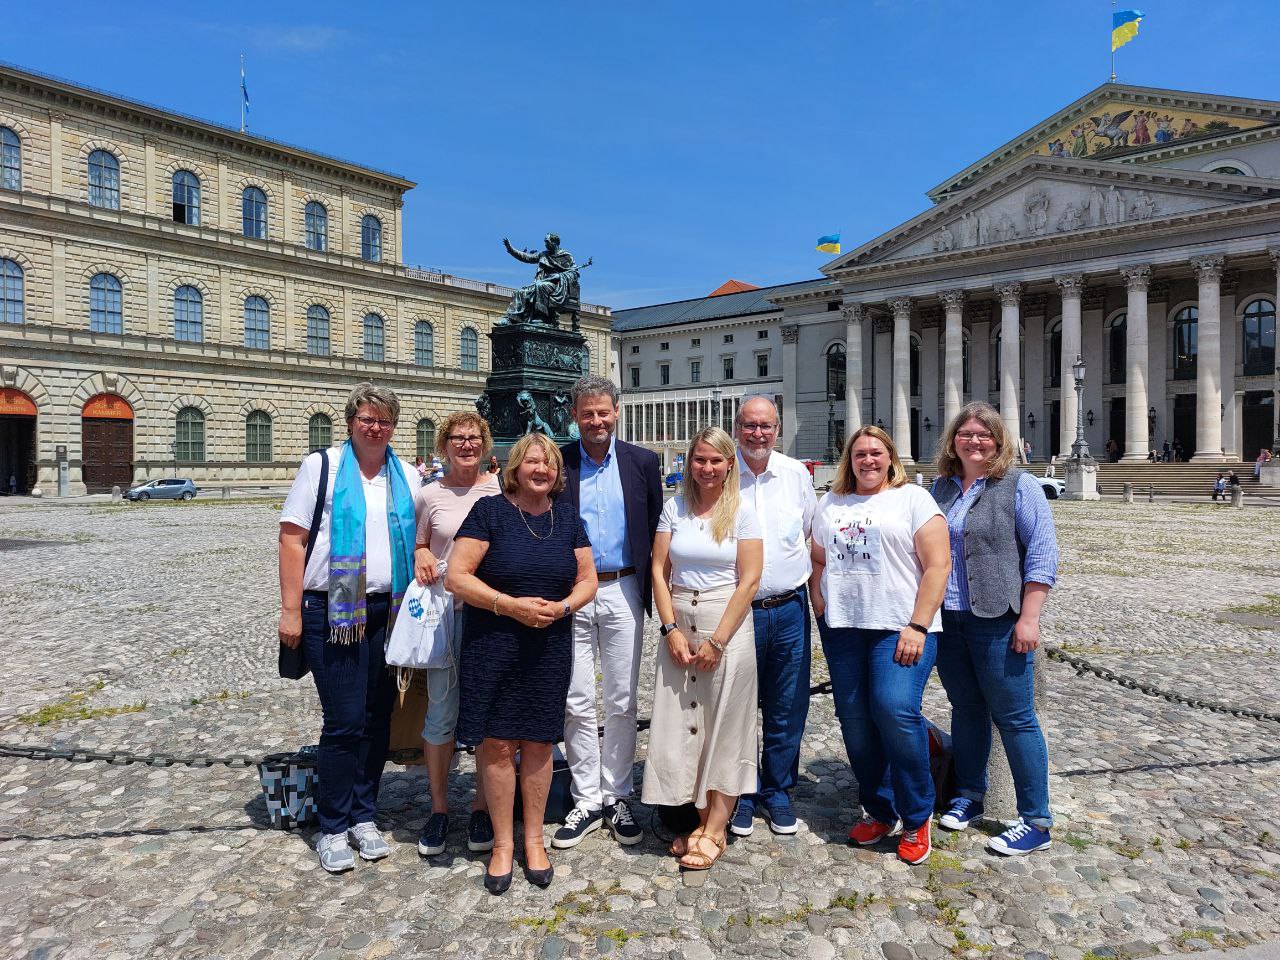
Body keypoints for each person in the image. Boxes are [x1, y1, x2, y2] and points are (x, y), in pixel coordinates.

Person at [278, 383, 424, 874]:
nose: (375, 427)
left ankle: (365, 814)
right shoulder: (322, 467)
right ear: (350, 422)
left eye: (384, 420)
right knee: (344, 720)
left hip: (391, 610)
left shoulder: (405, 474)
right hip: (334, 612)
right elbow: (293, 539)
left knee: (378, 716)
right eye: (367, 418)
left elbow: (429, 530)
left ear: (393, 426)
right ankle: (333, 824)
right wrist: (291, 609)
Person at [445, 433, 597, 894]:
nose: (541, 470)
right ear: (516, 467)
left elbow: (588, 578)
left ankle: (534, 840)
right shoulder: (490, 512)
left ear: (557, 473)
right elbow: (456, 577)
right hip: (493, 643)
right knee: (495, 743)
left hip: (548, 644)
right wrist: (509, 605)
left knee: (537, 741)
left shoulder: (567, 519)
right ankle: (502, 845)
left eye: (549, 464)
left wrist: (566, 607)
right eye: (532, 461)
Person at [809, 425, 951, 866]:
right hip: (845, 626)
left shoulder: (913, 499)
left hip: (901, 626)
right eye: (859, 454)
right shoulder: (831, 503)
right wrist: (819, 603)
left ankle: (916, 814)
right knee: (854, 720)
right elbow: (816, 557)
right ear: (848, 460)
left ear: (891, 457)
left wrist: (918, 625)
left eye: (876, 453)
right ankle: (879, 806)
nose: (867, 461)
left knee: (893, 708)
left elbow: (938, 564)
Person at [930, 402, 1059, 857]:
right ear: (953, 441)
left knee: (1016, 718)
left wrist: (1030, 617)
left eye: (983, 434)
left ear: (999, 441)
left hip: (998, 619)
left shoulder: (1019, 486)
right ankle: (969, 794)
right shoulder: (941, 489)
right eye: (965, 433)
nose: (974, 441)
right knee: (966, 710)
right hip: (948, 620)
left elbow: (1042, 554)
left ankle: (1036, 819)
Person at [642, 427, 763, 871]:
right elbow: (659, 568)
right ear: (689, 463)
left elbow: (749, 580)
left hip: (723, 621)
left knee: (725, 724)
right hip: (680, 616)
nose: (707, 468)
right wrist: (669, 627)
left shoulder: (743, 513)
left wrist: (717, 640)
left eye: (716, 460)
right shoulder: (675, 508)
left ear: (730, 464)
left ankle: (716, 827)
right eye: (700, 460)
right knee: (684, 722)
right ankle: (699, 819)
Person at [553, 376, 663, 849]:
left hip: (623, 585)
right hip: (573, 589)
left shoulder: (643, 463)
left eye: (603, 412)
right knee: (575, 698)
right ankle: (586, 797)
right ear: (574, 416)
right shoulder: (560, 461)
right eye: (586, 414)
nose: (596, 421)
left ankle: (617, 792)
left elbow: (657, 530)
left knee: (621, 698)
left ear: (617, 412)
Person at [412, 411, 501, 857]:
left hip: (493, 616)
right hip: (446, 616)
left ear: (484, 444)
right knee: (442, 713)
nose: (466, 445)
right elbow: (420, 542)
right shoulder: (429, 495)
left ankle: (483, 806)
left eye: (473, 437)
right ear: (443, 445)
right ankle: (440, 808)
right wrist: (422, 554)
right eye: (457, 438)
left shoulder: (503, 489)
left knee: (486, 714)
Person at [728, 397, 816, 838]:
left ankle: (778, 790)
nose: (757, 434)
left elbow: (807, 537)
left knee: (788, 705)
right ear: (737, 428)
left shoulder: (796, 475)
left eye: (765, 426)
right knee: (738, 705)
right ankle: (741, 792)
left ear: (777, 429)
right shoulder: (724, 476)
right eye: (749, 426)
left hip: (789, 608)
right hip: (738, 612)